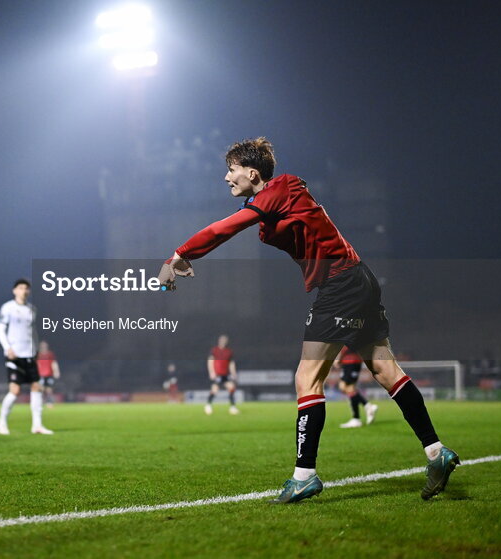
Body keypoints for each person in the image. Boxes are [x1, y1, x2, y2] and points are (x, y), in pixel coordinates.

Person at [159, 137, 458, 503]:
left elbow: (225, 228)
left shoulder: (279, 189)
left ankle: (304, 475)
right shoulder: (275, 203)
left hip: (340, 284)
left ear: (253, 173)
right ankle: (435, 451)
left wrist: (178, 255)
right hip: (358, 278)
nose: (226, 177)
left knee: (306, 377)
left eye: (231, 170)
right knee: (386, 371)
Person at [0, 279, 53, 435]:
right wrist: (7, 348)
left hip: (30, 355)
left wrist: (36, 350)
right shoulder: (8, 308)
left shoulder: (32, 309)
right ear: (14, 290)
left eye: (27, 288)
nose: (24, 291)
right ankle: (2, 423)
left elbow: (32, 332)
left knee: (37, 387)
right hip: (14, 355)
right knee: (15, 390)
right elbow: (0, 330)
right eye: (21, 288)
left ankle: (37, 426)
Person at [335, 345, 378, 428]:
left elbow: (347, 344)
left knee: (346, 387)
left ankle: (363, 411)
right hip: (351, 362)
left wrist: (339, 358)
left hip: (351, 362)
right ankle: (359, 415)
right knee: (348, 388)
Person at [206, 334, 240, 415]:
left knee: (232, 388)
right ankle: (208, 405)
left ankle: (232, 407)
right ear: (219, 341)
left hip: (225, 374)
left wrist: (234, 373)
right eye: (222, 340)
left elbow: (231, 364)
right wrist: (211, 372)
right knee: (215, 390)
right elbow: (210, 361)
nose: (223, 342)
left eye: (225, 340)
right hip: (217, 374)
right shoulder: (214, 350)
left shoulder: (229, 352)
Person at [36, 340, 61, 407]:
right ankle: (40, 402)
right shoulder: (38, 355)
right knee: (41, 388)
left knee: (49, 389)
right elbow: (36, 364)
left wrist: (56, 371)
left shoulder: (50, 354)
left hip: (49, 374)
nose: (44, 347)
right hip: (40, 374)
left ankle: (49, 402)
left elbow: (53, 363)